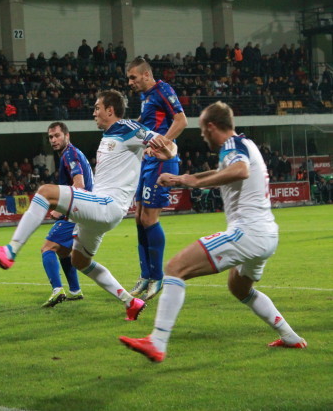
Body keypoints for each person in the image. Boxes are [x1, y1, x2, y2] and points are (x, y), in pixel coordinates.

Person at [119, 101, 307, 363]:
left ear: (211, 126)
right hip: (266, 234)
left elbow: (240, 171)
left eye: (202, 130)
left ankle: (157, 342)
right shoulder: (245, 144)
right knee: (239, 288)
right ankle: (290, 337)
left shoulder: (232, 146)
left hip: (248, 233)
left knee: (175, 268)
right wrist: (179, 179)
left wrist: (188, 180)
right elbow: (224, 172)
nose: (201, 135)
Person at [0, 89, 177, 321]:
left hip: (107, 205)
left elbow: (169, 145)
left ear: (110, 110)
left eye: (97, 108)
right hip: (101, 210)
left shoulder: (128, 128)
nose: (93, 113)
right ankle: (130, 302)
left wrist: (168, 153)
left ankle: (9, 251)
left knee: (45, 192)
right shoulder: (111, 135)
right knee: (79, 260)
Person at [126, 57, 187, 301]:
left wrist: (163, 142)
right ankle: (145, 275)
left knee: (150, 218)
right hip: (147, 160)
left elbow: (181, 120)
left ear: (146, 74)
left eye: (133, 77)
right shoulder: (145, 97)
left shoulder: (163, 90)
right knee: (139, 217)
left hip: (161, 159)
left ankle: (157, 277)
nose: (130, 82)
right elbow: (148, 124)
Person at [39, 122, 93, 307]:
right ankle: (75, 291)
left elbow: (79, 185)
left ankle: (57, 290)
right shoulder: (72, 153)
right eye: (50, 137)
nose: (53, 140)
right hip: (84, 212)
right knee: (63, 252)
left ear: (67, 136)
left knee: (47, 249)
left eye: (57, 136)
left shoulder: (69, 154)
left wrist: (59, 208)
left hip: (76, 212)